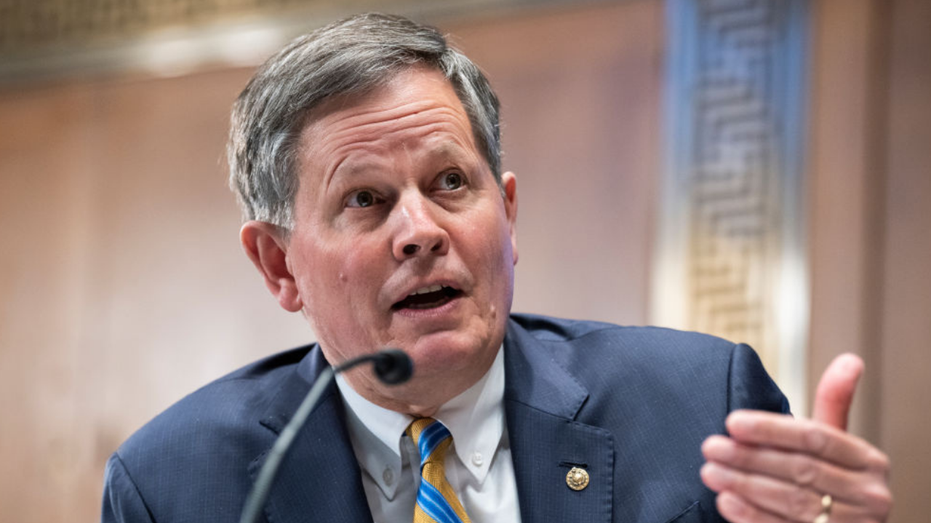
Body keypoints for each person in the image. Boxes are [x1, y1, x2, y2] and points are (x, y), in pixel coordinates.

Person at [101, 13, 891, 523]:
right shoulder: (176, 484)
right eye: (366, 198)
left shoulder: (696, 407)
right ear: (279, 264)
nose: (420, 230)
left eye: (450, 183)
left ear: (506, 215)